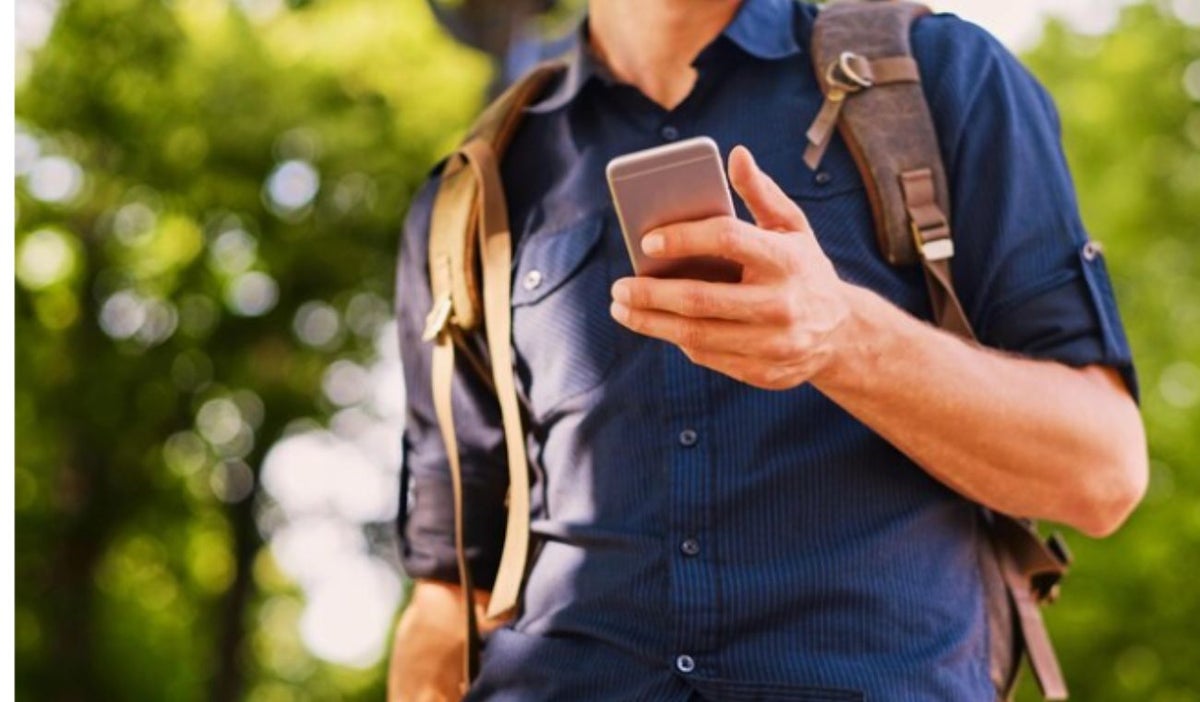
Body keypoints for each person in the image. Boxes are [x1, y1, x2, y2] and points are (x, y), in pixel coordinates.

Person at [388, 0, 1148, 699]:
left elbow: (1101, 471)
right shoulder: (477, 187)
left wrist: (845, 338)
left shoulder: (936, 77)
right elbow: (449, 595)